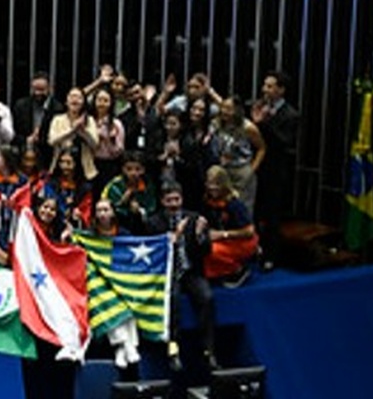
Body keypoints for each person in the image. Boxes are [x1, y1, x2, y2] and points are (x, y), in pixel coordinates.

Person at [145, 181, 217, 372]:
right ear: (162, 201)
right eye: (169, 200)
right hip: (169, 274)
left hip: (191, 271)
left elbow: (206, 251)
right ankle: (173, 351)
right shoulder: (153, 223)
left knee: (207, 297)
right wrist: (174, 237)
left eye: (177, 199)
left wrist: (201, 236)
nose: (174, 204)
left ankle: (208, 351)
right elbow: (153, 252)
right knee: (172, 302)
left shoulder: (194, 219)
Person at [250, 70, 299, 269]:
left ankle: (270, 257)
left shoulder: (291, 114)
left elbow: (285, 142)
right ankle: (254, 251)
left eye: (270, 86)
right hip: (256, 167)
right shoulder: (259, 107)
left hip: (276, 172)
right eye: (264, 85)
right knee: (253, 213)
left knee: (271, 217)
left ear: (281, 90)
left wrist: (265, 123)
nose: (265, 90)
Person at [200, 166, 259, 288]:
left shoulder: (234, 204)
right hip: (221, 238)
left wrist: (223, 234)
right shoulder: (208, 201)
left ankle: (238, 269)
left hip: (241, 241)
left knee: (211, 250)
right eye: (209, 183)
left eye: (216, 184)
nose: (212, 187)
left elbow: (249, 231)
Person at [210, 96, 266, 216]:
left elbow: (261, 148)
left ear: (237, 110)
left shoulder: (248, 127)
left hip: (241, 170)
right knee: (222, 209)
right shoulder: (217, 123)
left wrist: (252, 170)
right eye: (223, 107)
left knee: (242, 209)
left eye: (229, 108)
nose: (224, 111)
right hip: (223, 170)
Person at [12, 71, 65, 168]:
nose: (38, 93)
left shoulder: (58, 108)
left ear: (49, 89)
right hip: (23, 154)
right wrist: (27, 140)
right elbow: (14, 133)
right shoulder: (20, 106)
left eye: (41, 89)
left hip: (48, 155)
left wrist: (40, 138)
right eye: (35, 89)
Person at [47, 87, 100, 183]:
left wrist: (83, 131)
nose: (75, 100)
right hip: (59, 167)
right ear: (66, 102)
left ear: (83, 103)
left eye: (79, 97)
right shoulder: (57, 119)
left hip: (84, 169)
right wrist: (71, 131)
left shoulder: (90, 120)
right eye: (72, 96)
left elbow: (95, 144)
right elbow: (52, 141)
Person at [101, 151, 156, 234]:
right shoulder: (114, 185)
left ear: (143, 170)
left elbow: (152, 207)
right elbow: (107, 208)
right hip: (119, 224)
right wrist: (122, 202)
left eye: (138, 169)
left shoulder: (148, 185)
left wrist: (140, 210)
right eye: (129, 169)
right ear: (123, 169)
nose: (133, 173)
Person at [41, 149, 94, 229]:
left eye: (68, 163)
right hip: (53, 222)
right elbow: (48, 202)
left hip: (74, 226)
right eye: (62, 162)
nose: (64, 166)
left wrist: (79, 214)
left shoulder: (84, 187)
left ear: (76, 164)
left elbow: (86, 210)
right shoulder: (51, 183)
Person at [90, 87, 125, 194]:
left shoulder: (116, 124)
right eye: (99, 100)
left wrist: (108, 140)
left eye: (106, 100)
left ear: (111, 103)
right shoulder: (89, 121)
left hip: (110, 165)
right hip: (91, 164)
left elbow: (119, 150)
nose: (102, 104)